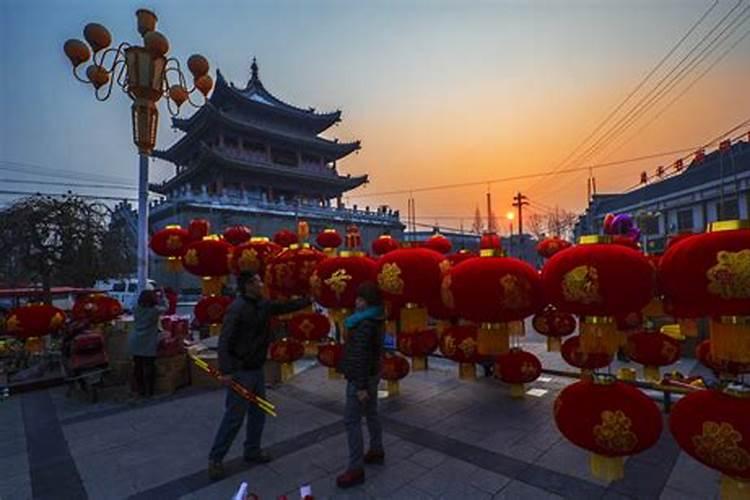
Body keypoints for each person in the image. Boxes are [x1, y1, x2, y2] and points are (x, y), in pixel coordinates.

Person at [208, 271, 311, 481]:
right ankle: (215, 459)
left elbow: (282, 307)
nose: (261, 284)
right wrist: (226, 370)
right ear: (247, 285)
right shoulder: (237, 308)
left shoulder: (262, 304)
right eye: (257, 281)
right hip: (240, 371)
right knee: (234, 417)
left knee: (258, 413)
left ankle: (252, 450)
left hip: (256, 369)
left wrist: (308, 300)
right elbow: (225, 340)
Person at [336, 281, 386, 489]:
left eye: (359, 299)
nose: (356, 303)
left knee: (351, 420)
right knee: (372, 413)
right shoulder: (375, 317)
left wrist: (360, 386)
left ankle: (355, 468)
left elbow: (361, 355)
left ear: (367, 302)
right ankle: (376, 450)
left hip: (360, 378)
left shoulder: (364, 323)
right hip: (371, 374)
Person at [129, 289, 168, 399]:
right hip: (148, 340)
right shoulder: (154, 311)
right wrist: (163, 296)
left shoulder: (136, 309)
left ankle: (140, 390)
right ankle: (150, 391)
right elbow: (166, 307)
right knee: (149, 366)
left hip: (135, 340)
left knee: (138, 366)